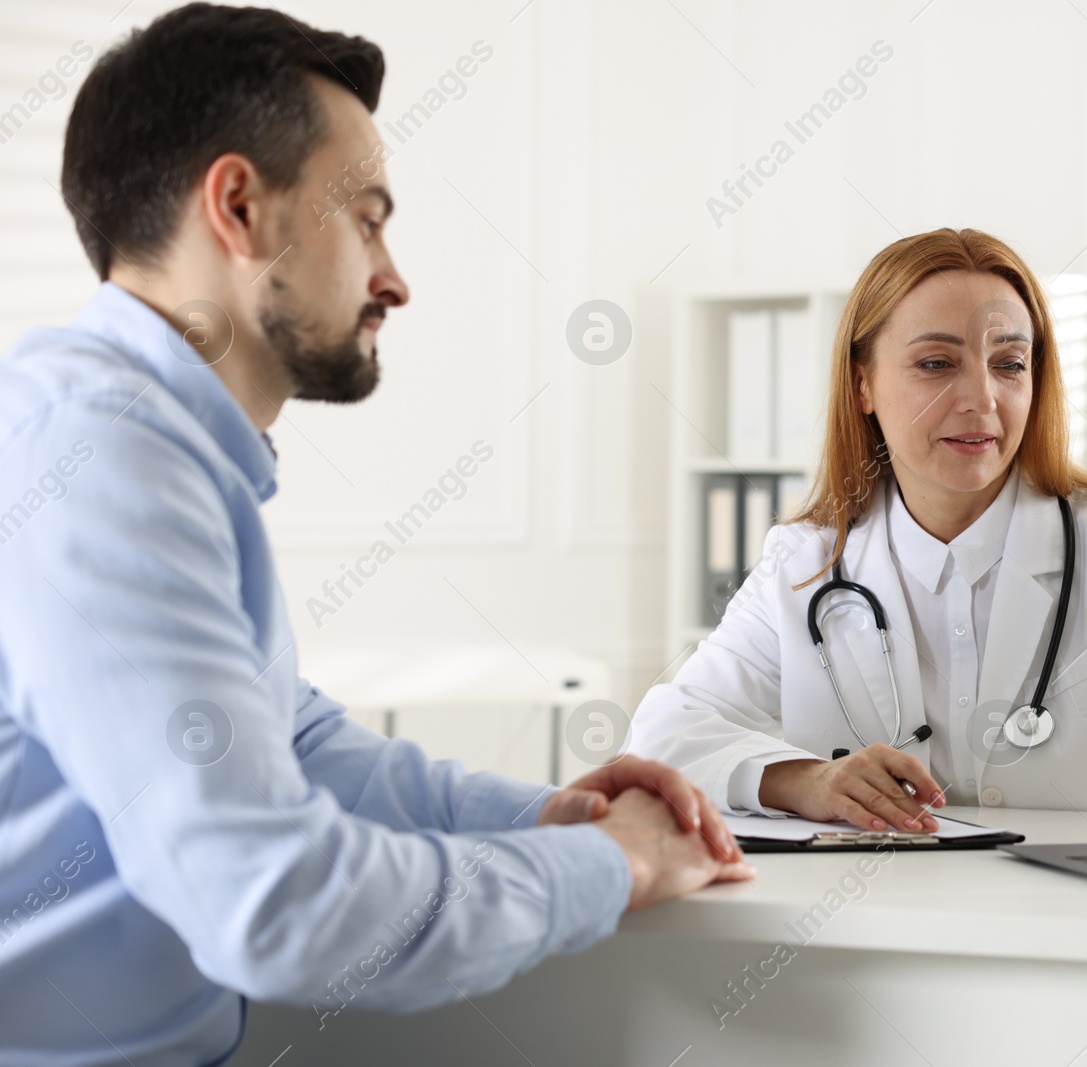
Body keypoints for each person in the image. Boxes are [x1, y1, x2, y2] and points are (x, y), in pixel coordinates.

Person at [0, 6, 752, 1066]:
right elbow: (279, 905)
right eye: (366, 219)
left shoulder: (144, 443)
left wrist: (557, 812)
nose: (392, 278)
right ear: (239, 206)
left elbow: (293, 742)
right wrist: (613, 867)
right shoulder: (97, 457)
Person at [629, 228, 1087, 833]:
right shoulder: (805, 564)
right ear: (862, 384)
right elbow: (662, 733)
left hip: (1074, 916)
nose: (982, 398)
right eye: (936, 364)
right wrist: (805, 780)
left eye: (1009, 364)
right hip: (874, 915)